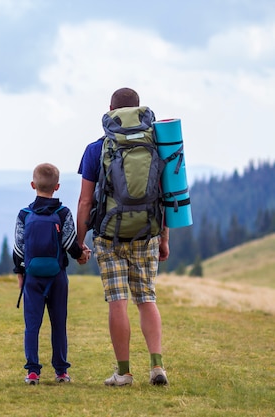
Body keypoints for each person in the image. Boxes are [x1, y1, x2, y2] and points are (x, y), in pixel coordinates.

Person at [76, 87, 170, 387]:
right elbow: (166, 197)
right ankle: (157, 367)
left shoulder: (97, 148)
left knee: (118, 301)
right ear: (139, 111)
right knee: (147, 298)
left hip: (110, 237)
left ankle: (124, 372)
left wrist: (79, 242)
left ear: (111, 110)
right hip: (147, 233)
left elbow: (85, 202)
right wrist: (164, 238)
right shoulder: (157, 144)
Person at [13, 163, 91, 385]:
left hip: (33, 278)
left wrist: (20, 274)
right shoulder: (63, 213)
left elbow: (18, 248)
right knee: (58, 323)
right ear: (57, 186)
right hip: (57, 277)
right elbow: (69, 243)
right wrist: (81, 255)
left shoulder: (24, 215)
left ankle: (32, 371)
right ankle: (61, 371)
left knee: (32, 325)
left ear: (32, 184)